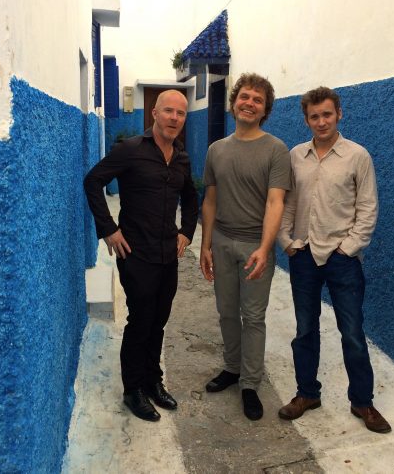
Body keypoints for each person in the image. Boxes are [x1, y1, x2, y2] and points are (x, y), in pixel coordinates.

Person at [276, 86, 391, 433]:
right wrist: (286, 241)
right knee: (305, 330)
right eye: (314, 116)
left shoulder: (358, 156)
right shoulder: (296, 156)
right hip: (304, 255)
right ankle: (306, 394)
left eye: (327, 114)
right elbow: (288, 203)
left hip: (342, 259)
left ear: (339, 113)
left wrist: (349, 247)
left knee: (352, 332)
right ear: (306, 120)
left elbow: (367, 208)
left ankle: (362, 401)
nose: (321, 121)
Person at [84, 90, 198, 422]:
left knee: (158, 320)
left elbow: (191, 198)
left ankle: (152, 380)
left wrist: (186, 232)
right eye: (168, 111)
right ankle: (132, 389)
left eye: (181, 113)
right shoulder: (130, 150)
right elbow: (93, 181)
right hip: (135, 254)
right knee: (140, 321)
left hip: (168, 255)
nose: (174, 118)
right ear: (155, 113)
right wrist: (109, 229)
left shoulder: (181, 157)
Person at [200, 73, 291, 421]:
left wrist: (265, 248)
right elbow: (210, 200)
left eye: (257, 100)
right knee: (226, 311)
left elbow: (275, 202)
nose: (249, 103)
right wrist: (206, 245)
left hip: (256, 245)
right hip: (222, 242)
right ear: (234, 101)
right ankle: (232, 367)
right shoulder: (216, 150)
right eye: (245, 97)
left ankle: (250, 383)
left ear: (265, 110)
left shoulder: (276, 149)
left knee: (253, 317)